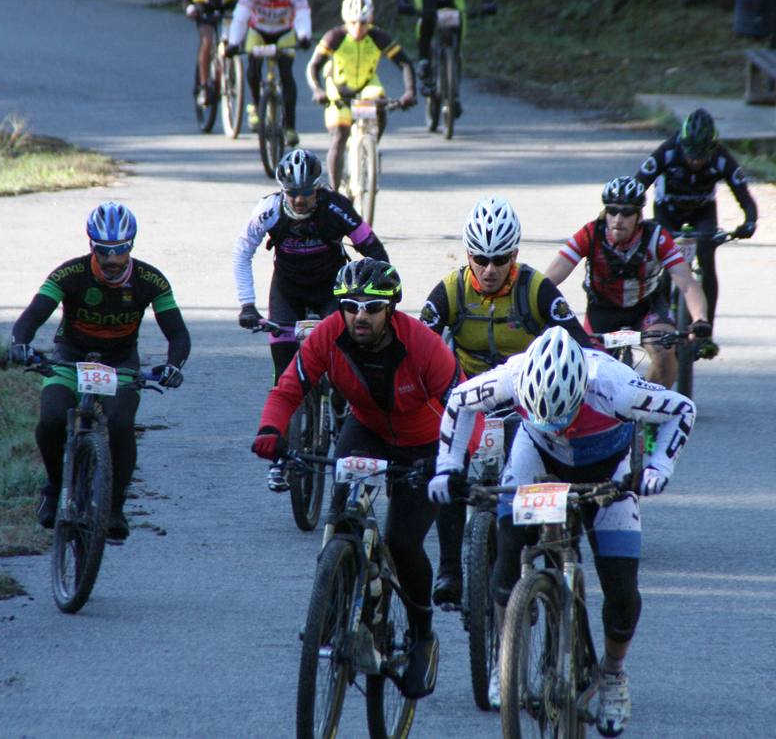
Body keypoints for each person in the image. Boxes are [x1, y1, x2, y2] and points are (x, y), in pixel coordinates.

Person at [431, 327, 694, 733]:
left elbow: (682, 409)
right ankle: (508, 656)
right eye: (543, 415)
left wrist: (659, 466)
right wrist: (447, 469)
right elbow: (459, 403)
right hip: (535, 457)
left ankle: (612, 676)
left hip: (607, 467)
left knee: (622, 593)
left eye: (563, 415)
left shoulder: (615, 387)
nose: (556, 425)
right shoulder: (513, 376)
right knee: (506, 560)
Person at [252, 260, 461, 700]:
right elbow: (289, 387)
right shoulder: (329, 335)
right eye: (350, 306)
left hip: (423, 443)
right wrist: (271, 430)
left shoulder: (422, 344)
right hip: (365, 430)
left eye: (371, 306)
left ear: (391, 309)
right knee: (342, 518)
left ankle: (422, 634)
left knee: (403, 544)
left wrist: (449, 463)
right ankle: (333, 602)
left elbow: (463, 405)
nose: (359, 315)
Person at [418, 195, 591, 608]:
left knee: (537, 473)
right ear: (468, 254)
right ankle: (449, 571)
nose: (490, 269)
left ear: (514, 254)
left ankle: (532, 555)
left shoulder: (535, 288)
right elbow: (418, 345)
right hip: (471, 396)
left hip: (522, 398)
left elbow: (581, 346)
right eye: (480, 258)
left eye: (500, 259)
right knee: (446, 465)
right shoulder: (450, 290)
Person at [8, 202, 190, 544]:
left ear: (131, 246)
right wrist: (20, 343)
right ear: (91, 244)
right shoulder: (69, 274)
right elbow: (32, 315)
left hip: (120, 362)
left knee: (121, 425)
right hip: (69, 356)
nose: (111, 259)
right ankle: (54, 486)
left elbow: (178, 334)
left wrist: (173, 366)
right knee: (51, 420)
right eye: (103, 250)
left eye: (120, 250)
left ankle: (115, 508)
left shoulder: (151, 280)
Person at [232, 149, 389, 484]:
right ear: (282, 191)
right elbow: (241, 252)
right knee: (284, 375)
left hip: (332, 291)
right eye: (292, 193)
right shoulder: (269, 210)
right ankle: (279, 458)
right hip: (287, 291)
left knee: (344, 353)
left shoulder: (336, 208)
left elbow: (374, 250)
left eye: (306, 192)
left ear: (318, 188)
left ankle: (342, 404)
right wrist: (247, 304)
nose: (299, 200)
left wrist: (380, 300)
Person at [545, 176, 711, 390]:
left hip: (646, 306)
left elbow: (687, 283)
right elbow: (551, 277)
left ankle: (650, 408)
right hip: (602, 308)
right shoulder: (590, 234)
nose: (618, 218)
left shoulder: (657, 237)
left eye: (626, 212)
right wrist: (533, 306)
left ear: (639, 215)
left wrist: (700, 318)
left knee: (664, 352)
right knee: (587, 372)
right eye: (612, 211)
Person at [633, 107, 757, 323]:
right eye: (691, 154)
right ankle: (658, 320)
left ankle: (705, 327)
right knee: (663, 260)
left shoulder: (722, 158)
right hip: (667, 209)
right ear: (682, 144)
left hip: (702, 211)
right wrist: (632, 217)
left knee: (708, 261)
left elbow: (745, 197)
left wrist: (749, 221)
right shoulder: (668, 151)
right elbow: (636, 187)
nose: (695, 161)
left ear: (712, 147)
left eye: (701, 156)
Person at [305, 0, 417, 189]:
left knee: (380, 103)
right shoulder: (334, 37)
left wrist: (409, 92)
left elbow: (405, 63)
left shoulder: (378, 36)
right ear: (346, 21)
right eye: (354, 22)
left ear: (370, 20)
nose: (358, 28)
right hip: (338, 88)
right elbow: (313, 66)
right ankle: (335, 191)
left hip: (367, 85)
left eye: (363, 23)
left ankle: (371, 147)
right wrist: (318, 90)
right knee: (340, 135)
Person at [226, 0, 312, 147]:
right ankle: (257, 108)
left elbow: (302, 13)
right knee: (253, 68)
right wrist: (233, 43)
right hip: (259, 31)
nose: (272, 0)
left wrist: (304, 35)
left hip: (284, 32)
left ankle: (290, 127)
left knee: (286, 74)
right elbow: (240, 17)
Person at [181, 0, 251, 108]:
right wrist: (190, 8)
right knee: (207, 40)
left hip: (227, 5)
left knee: (229, 41)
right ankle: (204, 86)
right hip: (203, 6)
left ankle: (228, 72)